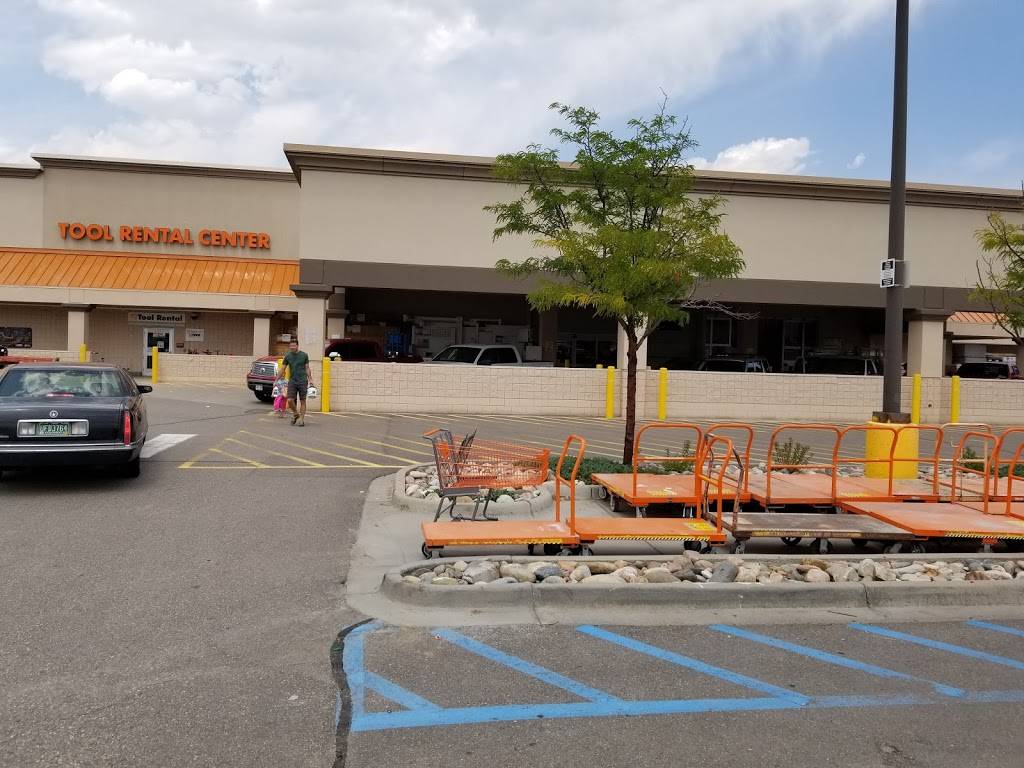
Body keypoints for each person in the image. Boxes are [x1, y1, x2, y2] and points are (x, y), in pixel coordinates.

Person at [282, 339, 312, 426]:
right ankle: (296, 414)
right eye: (291, 346)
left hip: (303, 381)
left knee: (303, 400)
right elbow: (282, 369)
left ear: (297, 346)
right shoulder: (287, 356)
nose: (292, 347)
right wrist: (276, 380)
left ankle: (301, 419)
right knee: (290, 400)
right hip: (292, 381)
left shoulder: (304, 355)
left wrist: (310, 380)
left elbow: (307, 368)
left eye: (294, 345)